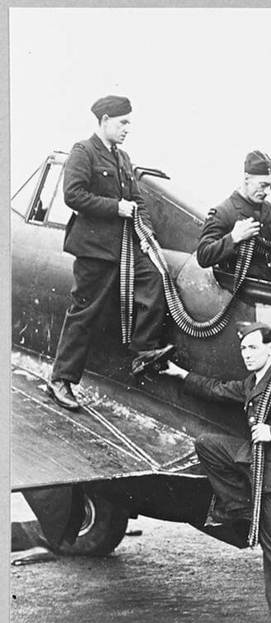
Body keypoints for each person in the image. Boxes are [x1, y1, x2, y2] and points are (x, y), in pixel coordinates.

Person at [161, 321, 271, 623]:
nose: (247, 354)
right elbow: (219, 389)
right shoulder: (254, 382)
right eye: (243, 349)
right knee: (208, 444)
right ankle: (237, 507)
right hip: (258, 462)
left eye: (253, 348)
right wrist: (181, 375)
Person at [47, 95, 172, 410]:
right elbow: (73, 195)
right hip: (94, 249)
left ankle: (143, 351)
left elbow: (137, 201)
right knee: (84, 313)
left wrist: (147, 236)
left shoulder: (123, 158)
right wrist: (116, 207)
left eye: (129, 122)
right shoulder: (83, 151)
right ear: (104, 120)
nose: (128, 128)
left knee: (155, 276)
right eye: (123, 122)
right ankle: (60, 380)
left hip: (126, 249)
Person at [197, 151, 271, 281]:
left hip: (269, 291)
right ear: (247, 178)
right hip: (238, 293)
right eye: (263, 185)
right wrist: (233, 238)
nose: (267, 192)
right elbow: (203, 256)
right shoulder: (223, 212)